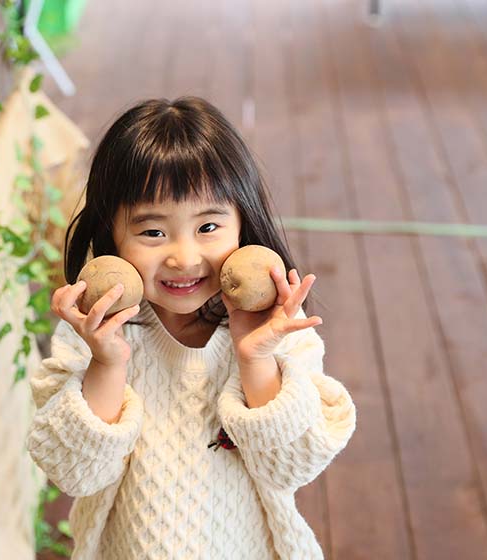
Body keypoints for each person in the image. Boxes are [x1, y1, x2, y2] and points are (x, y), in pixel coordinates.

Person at [26, 97, 356, 559]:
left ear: (243, 223)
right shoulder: (91, 336)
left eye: (208, 226)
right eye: (153, 232)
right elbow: (74, 472)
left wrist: (256, 360)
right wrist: (106, 364)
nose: (183, 257)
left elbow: (295, 465)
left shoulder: (281, 331)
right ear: (111, 235)